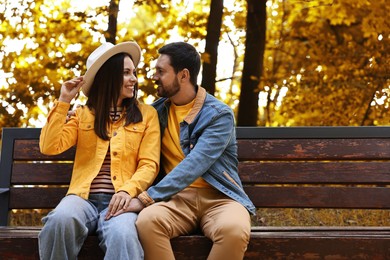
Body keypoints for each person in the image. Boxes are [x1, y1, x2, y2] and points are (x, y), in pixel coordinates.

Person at [125, 42, 256, 260]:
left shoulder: (218, 115)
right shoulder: (155, 112)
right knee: (146, 222)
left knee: (233, 230)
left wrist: (146, 198)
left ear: (183, 75)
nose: (154, 76)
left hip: (220, 198)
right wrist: (83, 113)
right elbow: (120, 125)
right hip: (175, 199)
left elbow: (195, 163)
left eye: (161, 71)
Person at [38, 41, 160, 260]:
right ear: (108, 77)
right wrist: (64, 100)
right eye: (126, 73)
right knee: (60, 221)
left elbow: (149, 164)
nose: (134, 79)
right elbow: (49, 146)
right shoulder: (82, 114)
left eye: (134, 72)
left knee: (123, 235)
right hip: (81, 199)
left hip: (121, 201)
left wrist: (127, 191)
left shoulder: (147, 115)